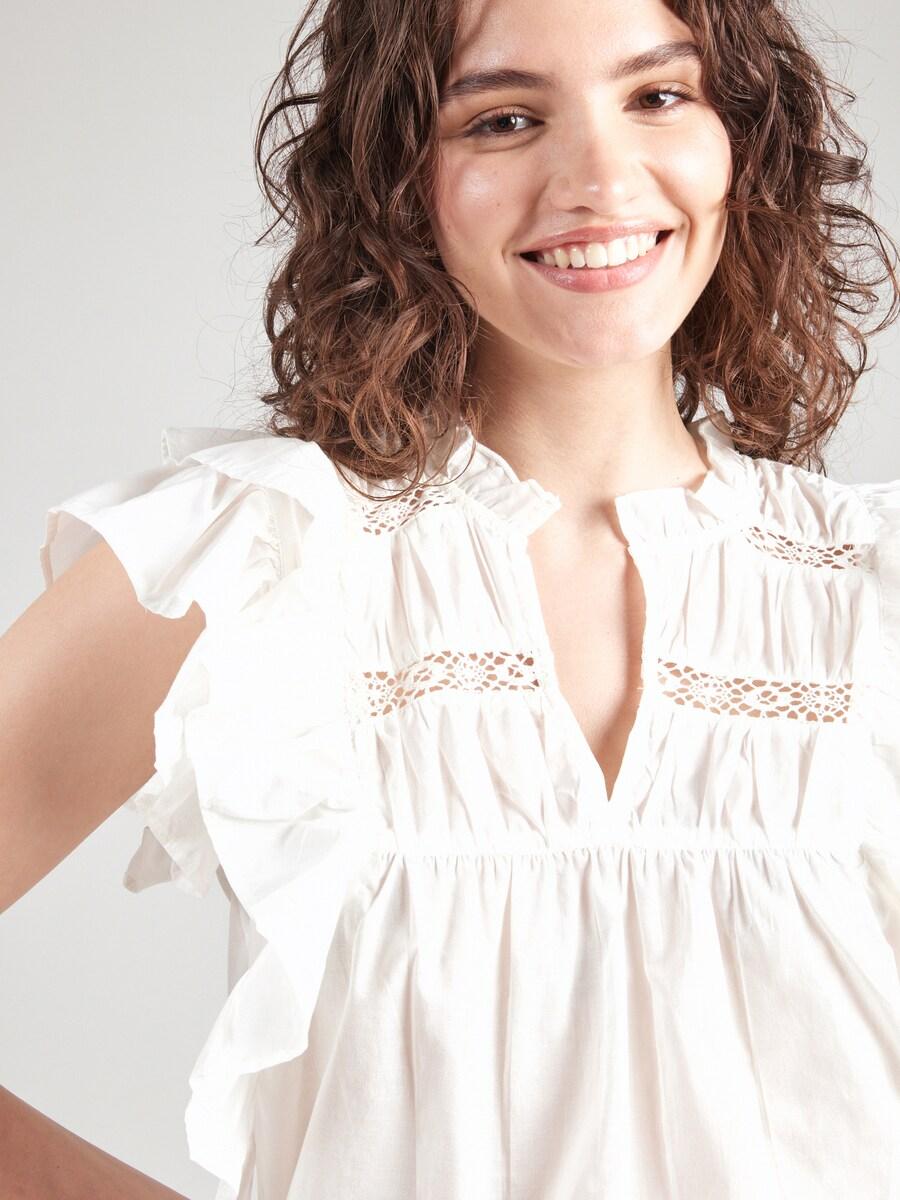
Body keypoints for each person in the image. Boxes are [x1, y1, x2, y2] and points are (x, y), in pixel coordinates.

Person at [3, 0, 899, 1195]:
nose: (599, 178)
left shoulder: (879, 589)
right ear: (396, 177)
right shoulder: (259, 555)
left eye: (658, 95)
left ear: (742, 134)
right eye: (505, 118)